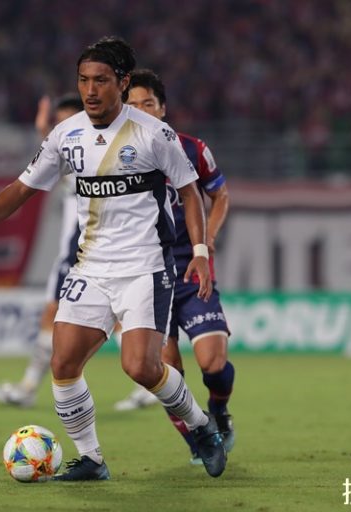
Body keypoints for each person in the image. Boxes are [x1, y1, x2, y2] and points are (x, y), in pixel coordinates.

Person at [0, 36, 227, 480]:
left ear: (122, 82)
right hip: (92, 268)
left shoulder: (153, 133)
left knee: (140, 367)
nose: (90, 90)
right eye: (83, 80)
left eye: (101, 80)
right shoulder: (67, 134)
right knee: (63, 363)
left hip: (145, 267)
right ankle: (92, 459)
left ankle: (202, 427)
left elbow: (190, 193)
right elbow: (23, 187)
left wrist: (198, 251)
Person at [116, 69, 235, 464]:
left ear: (162, 108)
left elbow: (219, 195)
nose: (140, 111)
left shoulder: (191, 149)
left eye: (147, 103)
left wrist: (208, 239)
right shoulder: (114, 156)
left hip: (189, 268)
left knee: (214, 364)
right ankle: (198, 441)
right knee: (165, 372)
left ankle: (219, 411)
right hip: (146, 273)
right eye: (132, 105)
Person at [0, 94, 84, 407]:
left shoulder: (91, 157)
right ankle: (28, 387)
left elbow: (62, 155)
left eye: (69, 122)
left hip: (82, 249)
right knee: (56, 316)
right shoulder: (73, 156)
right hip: (75, 250)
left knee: (55, 315)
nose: (62, 129)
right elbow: (58, 152)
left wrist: (44, 131)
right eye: (59, 122)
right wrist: (43, 131)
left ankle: (28, 388)